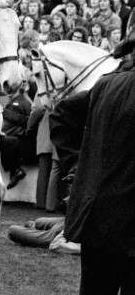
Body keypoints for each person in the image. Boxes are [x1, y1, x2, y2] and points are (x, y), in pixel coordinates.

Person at [49, 33, 135, 295]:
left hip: (96, 219)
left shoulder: (105, 85)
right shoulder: (108, 85)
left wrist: (76, 166)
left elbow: (61, 114)